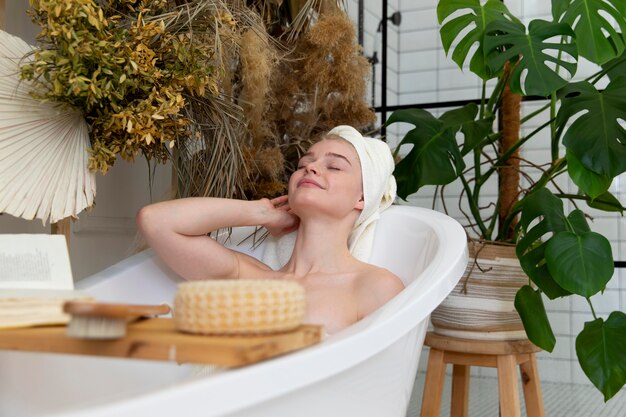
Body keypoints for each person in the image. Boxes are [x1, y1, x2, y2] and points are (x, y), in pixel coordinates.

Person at [137, 126, 404, 335]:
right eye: (302, 165)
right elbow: (155, 221)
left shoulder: (374, 287)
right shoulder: (248, 276)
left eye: (334, 166)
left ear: (362, 198)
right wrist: (260, 213)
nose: (311, 167)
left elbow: (376, 386)